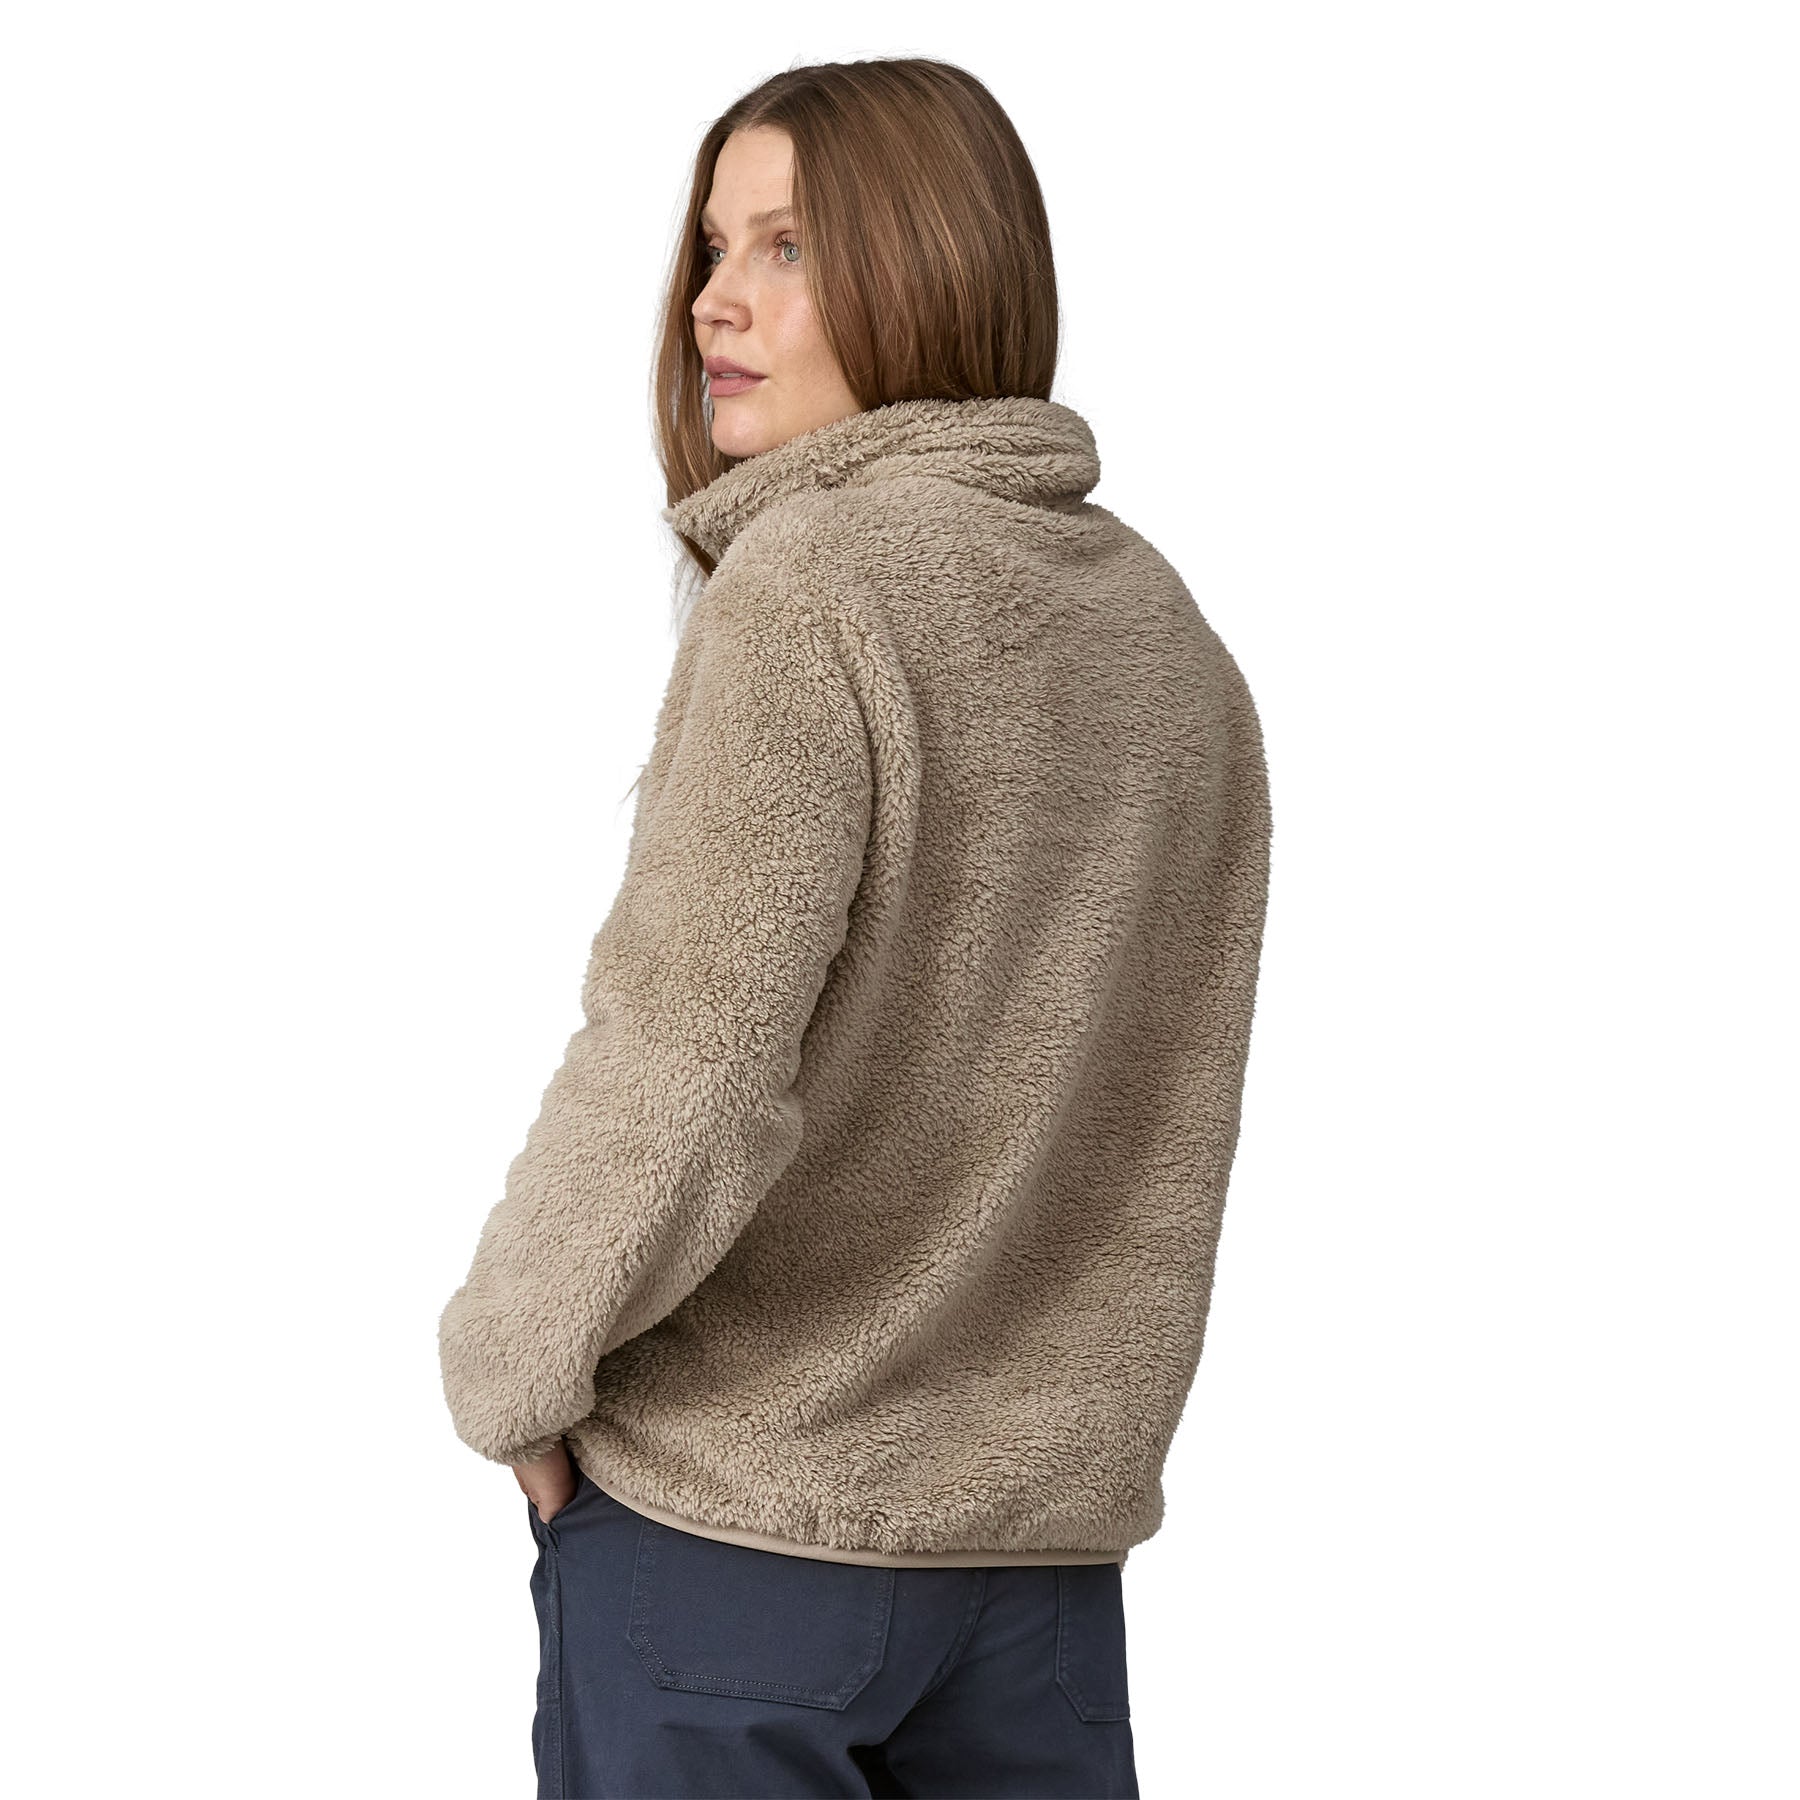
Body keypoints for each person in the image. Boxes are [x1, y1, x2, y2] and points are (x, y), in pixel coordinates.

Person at [438, 55, 1272, 1800]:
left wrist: (509, 1364)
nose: (714, 302)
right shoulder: (1166, 636)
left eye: (790, 246)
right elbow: (1148, 1109)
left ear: (931, 264)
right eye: (712, 246)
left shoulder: (815, 586)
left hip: (738, 1547)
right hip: (1038, 1585)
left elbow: (686, 1060)